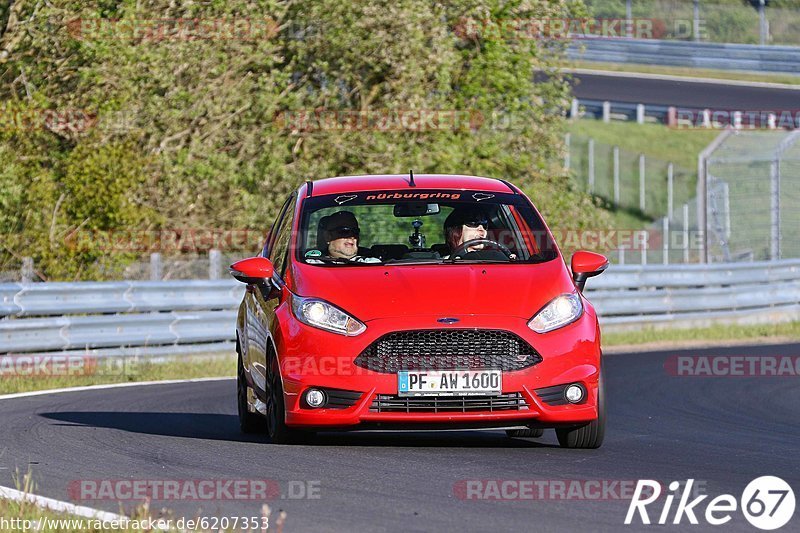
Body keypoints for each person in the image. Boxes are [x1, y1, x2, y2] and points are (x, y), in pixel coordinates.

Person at [306, 210, 380, 263]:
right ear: (328, 236)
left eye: (355, 231)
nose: (351, 236)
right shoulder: (311, 265)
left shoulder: (373, 264)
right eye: (344, 231)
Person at [443, 206, 511, 260]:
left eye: (485, 225)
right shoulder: (436, 260)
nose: (482, 230)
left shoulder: (497, 259)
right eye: (474, 223)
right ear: (456, 229)